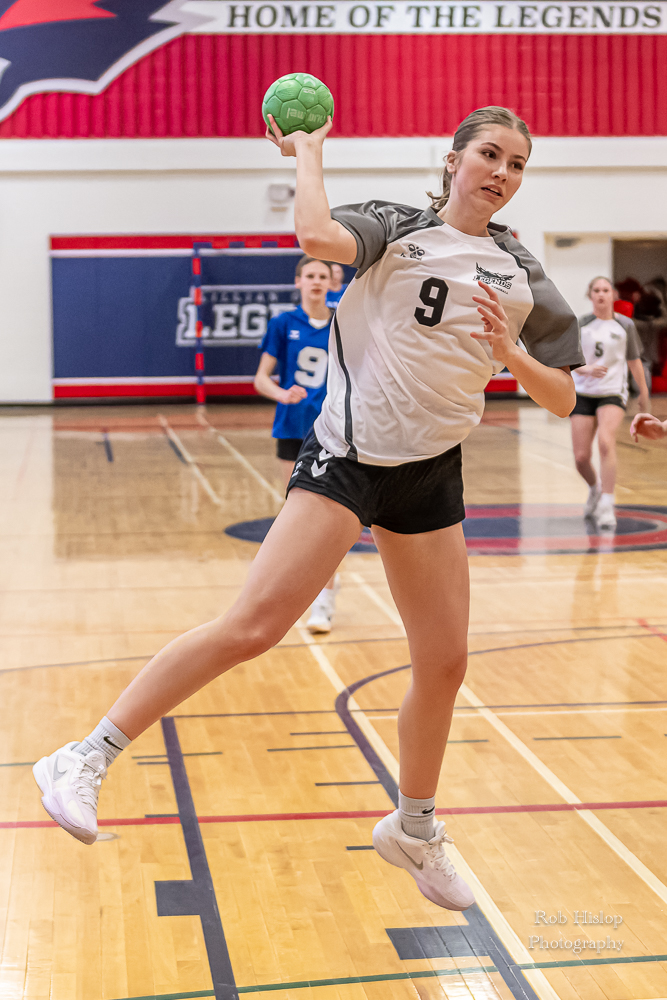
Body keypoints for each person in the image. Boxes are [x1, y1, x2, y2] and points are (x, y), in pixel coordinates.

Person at [33, 105, 583, 912]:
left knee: (443, 662)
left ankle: (414, 828)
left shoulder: (519, 270)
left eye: (518, 164)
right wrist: (309, 152)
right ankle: (84, 755)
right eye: (490, 155)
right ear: (452, 160)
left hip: (430, 472)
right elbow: (316, 236)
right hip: (347, 460)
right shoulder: (398, 227)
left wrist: (510, 355)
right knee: (253, 627)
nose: (502, 173)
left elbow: (563, 397)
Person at [254, 255, 340, 633]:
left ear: (332, 282)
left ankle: (324, 600)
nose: (316, 281)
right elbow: (261, 378)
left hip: (332, 431)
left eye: (322, 275)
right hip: (291, 429)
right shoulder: (283, 324)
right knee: (297, 515)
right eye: (310, 275)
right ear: (298, 281)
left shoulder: (343, 321)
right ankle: (291, 594)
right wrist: (281, 393)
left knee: (327, 518)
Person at [570, 277, 650, 530]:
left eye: (606, 290)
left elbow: (634, 361)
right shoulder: (581, 324)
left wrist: (644, 392)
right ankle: (594, 488)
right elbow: (569, 360)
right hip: (583, 392)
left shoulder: (625, 325)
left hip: (612, 392)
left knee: (606, 441)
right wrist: (586, 369)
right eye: (596, 290)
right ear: (590, 295)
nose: (601, 294)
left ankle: (607, 503)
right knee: (581, 457)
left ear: (614, 294)